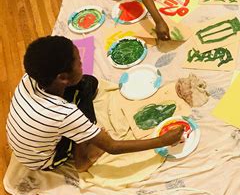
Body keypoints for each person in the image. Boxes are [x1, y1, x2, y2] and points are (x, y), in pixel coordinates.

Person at [6, 36, 184, 172]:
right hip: (44, 160)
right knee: (84, 109)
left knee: (88, 83)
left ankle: (79, 133)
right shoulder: (64, 113)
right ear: (62, 77)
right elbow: (112, 147)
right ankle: (82, 160)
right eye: (78, 61)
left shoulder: (31, 78)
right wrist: (162, 140)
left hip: (29, 144)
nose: (82, 62)